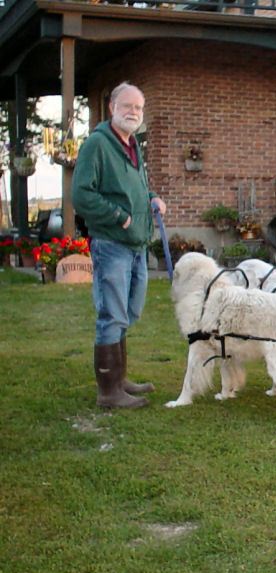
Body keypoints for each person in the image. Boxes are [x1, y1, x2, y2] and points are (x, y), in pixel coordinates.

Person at [72, 82, 167, 409]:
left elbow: (134, 186)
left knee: (129, 310)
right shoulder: (98, 145)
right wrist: (119, 217)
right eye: (127, 106)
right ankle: (109, 392)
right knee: (112, 314)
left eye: (138, 108)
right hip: (112, 243)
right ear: (112, 108)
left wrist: (152, 198)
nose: (133, 112)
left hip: (136, 243)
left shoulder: (131, 144)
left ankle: (120, 377)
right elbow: (82, 194)